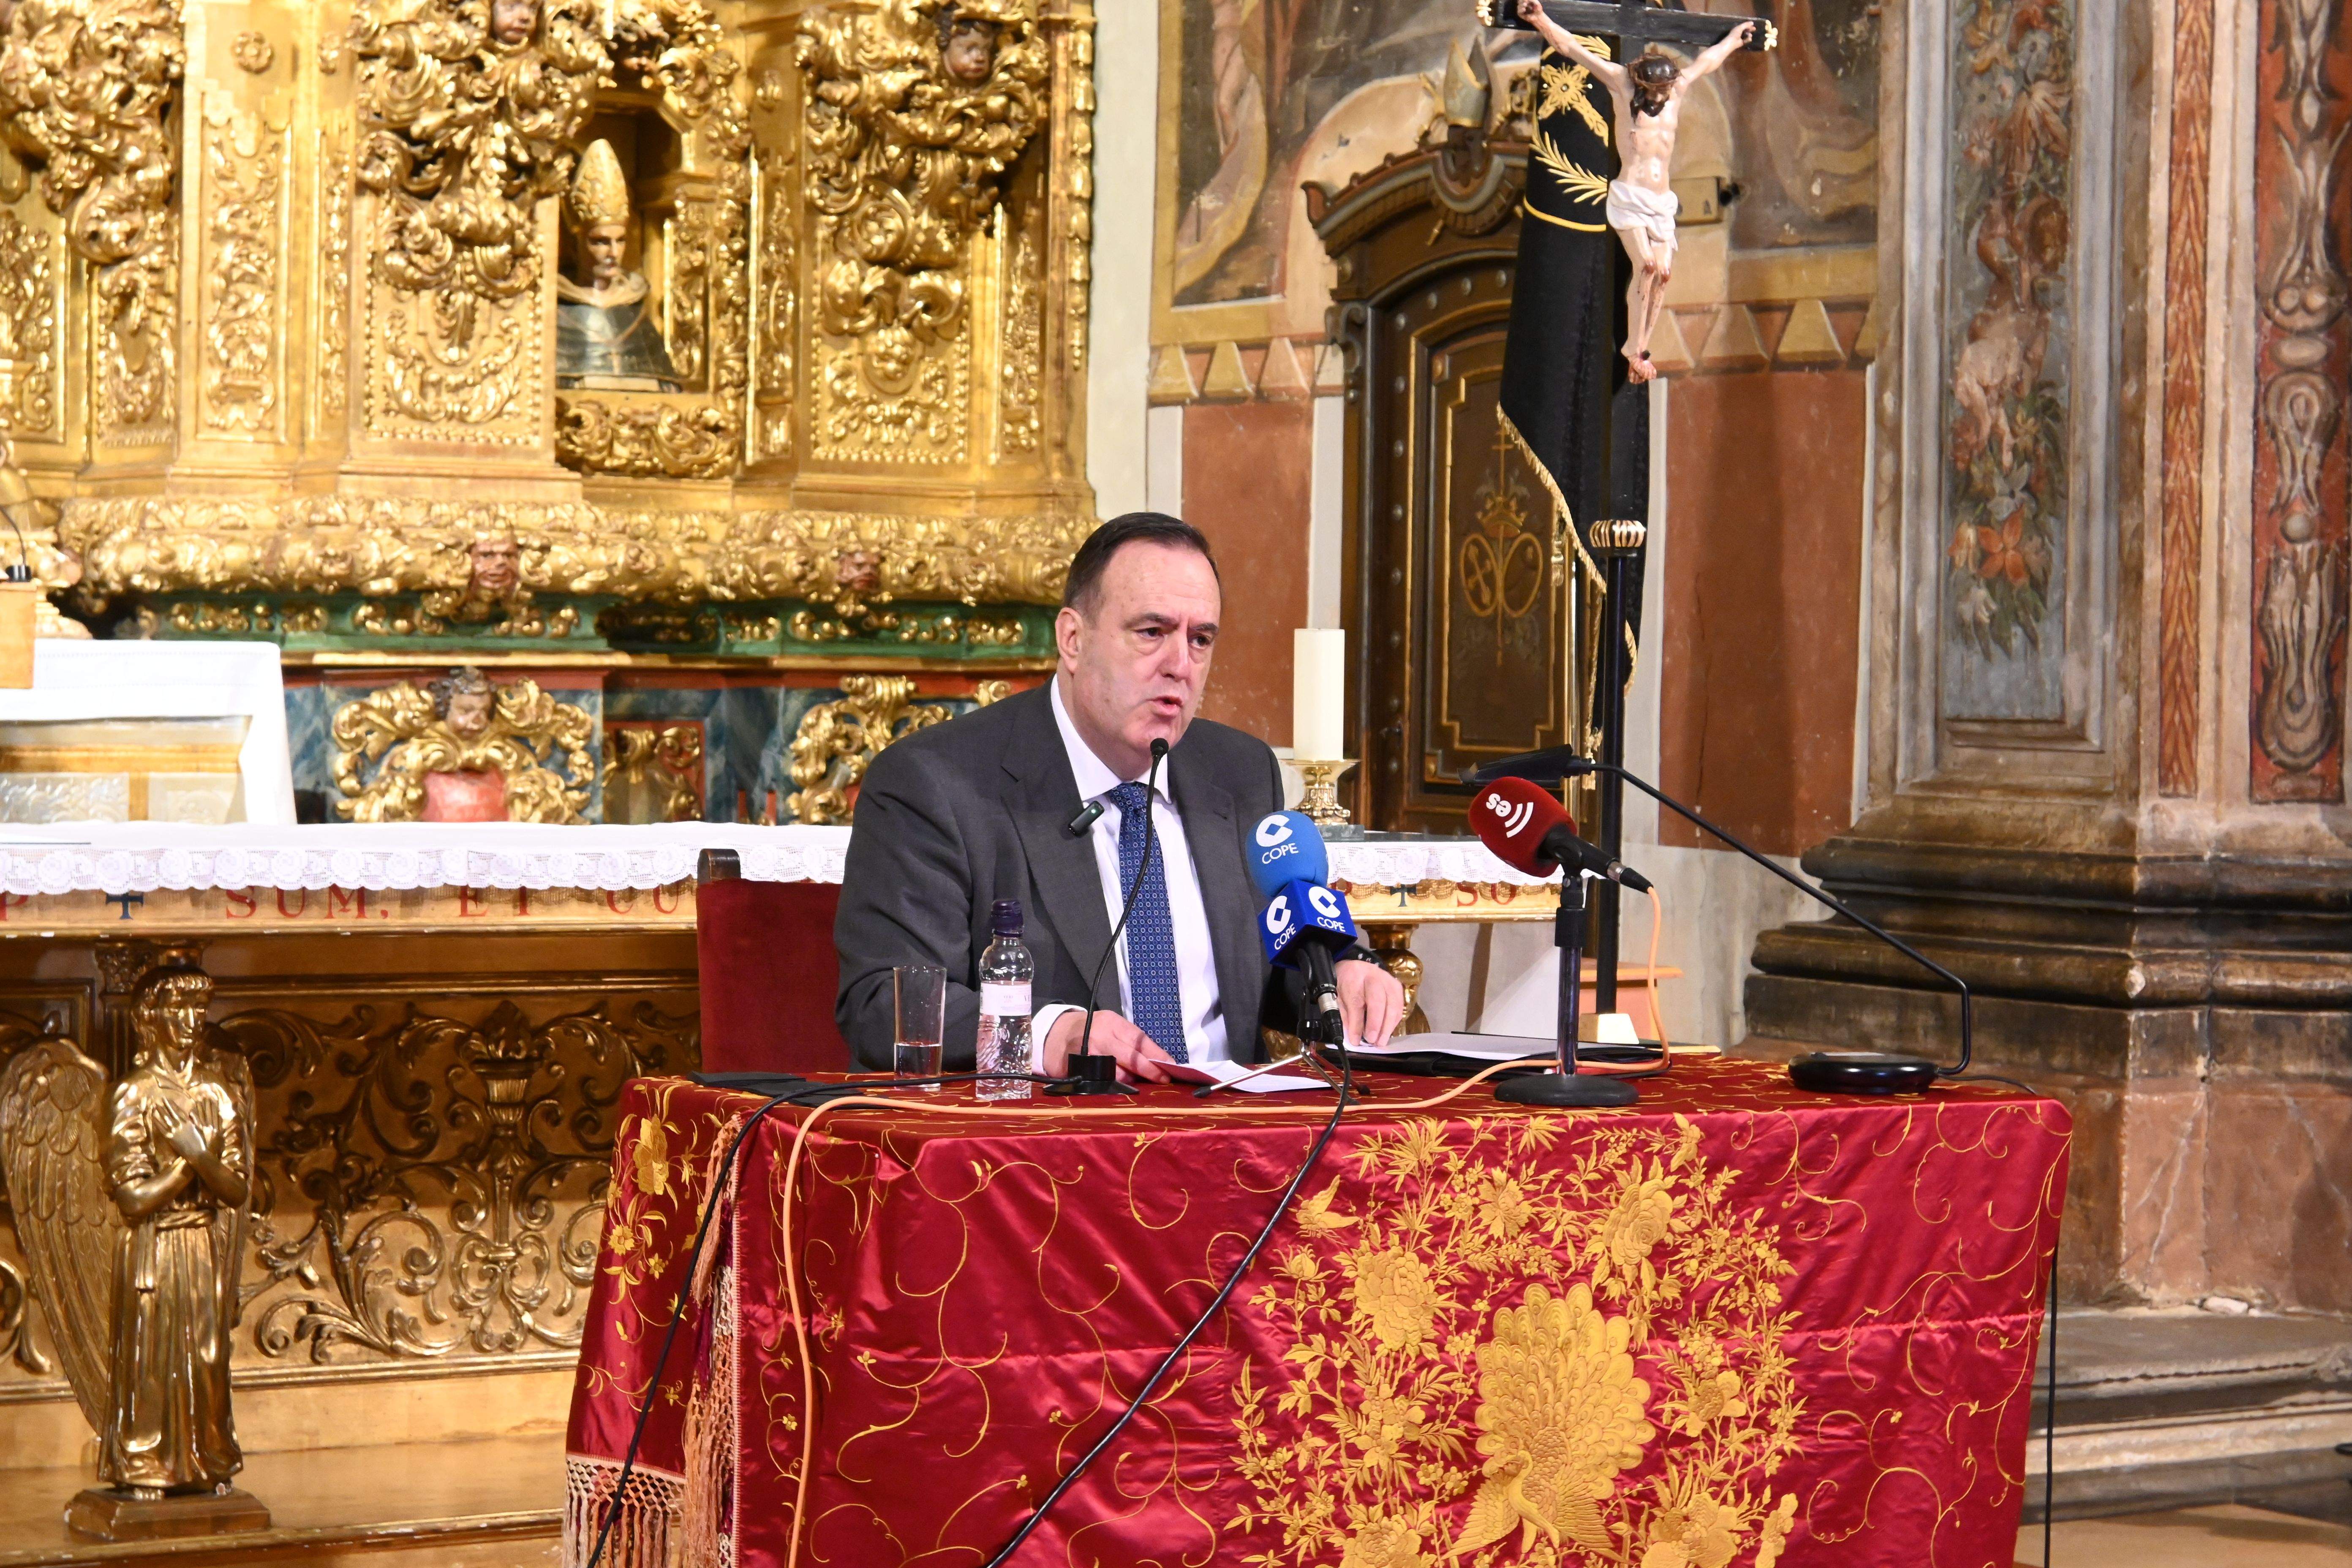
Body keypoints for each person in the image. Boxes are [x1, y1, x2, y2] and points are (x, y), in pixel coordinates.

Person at [836, 513, 1406, 1081]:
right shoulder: (936, 782)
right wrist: (1047, 1035)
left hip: (1231, 1122)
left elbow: (1274, 960)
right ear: (1073, 639)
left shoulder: (1240, 771)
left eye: (1200, 639)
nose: (1180, 666)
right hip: (1058, 1128)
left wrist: (1340, 975)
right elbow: (882, 1003)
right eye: (1152, 632)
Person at [1517, 0, 1754, 382]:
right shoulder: (1621, 83)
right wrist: (1540, 19)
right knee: (1645, 265)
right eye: (1656, 92)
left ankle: (1643, 347)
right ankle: (1633, 348)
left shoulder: (1677, 89)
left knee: (1664, 274)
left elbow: (1707, 61)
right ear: (1643, 86)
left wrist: (1734, 40)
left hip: (1661, 201)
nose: (1662, 98)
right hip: (1630, 195)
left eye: (1665, 91)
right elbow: (1572, 48)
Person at [103, 965, 250, 1496]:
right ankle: (146, 1464)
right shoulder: (134, 1093)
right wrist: (189, 1164)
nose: (190, 1020)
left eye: (199, 1008)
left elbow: (236, 1189)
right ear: (151, 1018)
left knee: (208, 1357)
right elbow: (132, 1199)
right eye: (177, 1009)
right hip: (155, 1244)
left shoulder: (218, 1092)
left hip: (201, 1243)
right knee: (151, 1359)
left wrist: (199, 1155)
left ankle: (209, 1458)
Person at [555, 139, 680, 392]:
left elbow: (667, 389)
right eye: (600, 242)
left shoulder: (635, 312)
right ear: (577, 244)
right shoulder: (557, 312)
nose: (613, 253)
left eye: (620, 241)